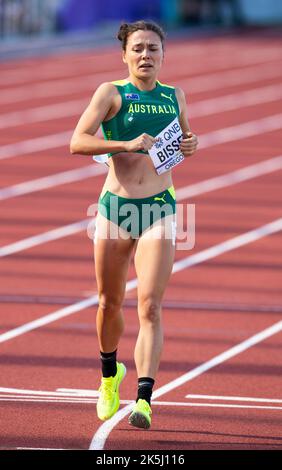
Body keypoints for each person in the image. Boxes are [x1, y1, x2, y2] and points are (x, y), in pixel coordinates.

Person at [70, 20, 198, 429]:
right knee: (108, 302)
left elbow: (182, 144)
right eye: (138, 48)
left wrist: (190, 145)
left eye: (154, 49)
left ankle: (144, 398)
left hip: (160, 208)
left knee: (151, 306)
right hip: (115, 211)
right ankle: (110, 375)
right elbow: (78, 141)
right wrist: (124, 145)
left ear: (164, 55)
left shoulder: (174, 95)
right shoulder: (111, 93)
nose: (146, 56)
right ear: (124, 55)